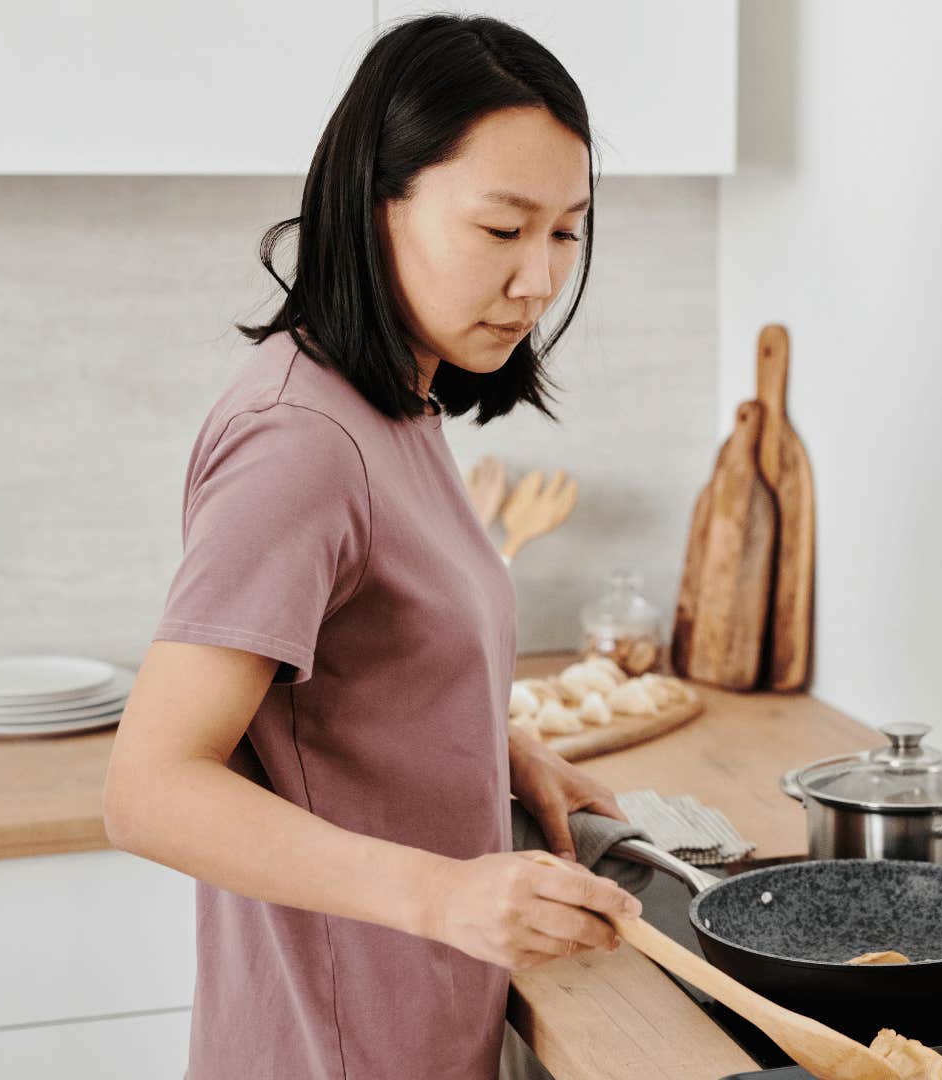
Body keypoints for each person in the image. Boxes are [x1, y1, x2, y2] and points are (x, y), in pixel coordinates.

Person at [101, 15, 639, 1080]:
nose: (540, 280)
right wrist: (445, 890)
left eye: (567, 231)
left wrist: (494, 759)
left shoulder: (396, 402)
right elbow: (149, 788)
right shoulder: (302, 443)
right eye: (502, 230)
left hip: (414, 1030)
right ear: (375, 201)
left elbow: (351, 692)